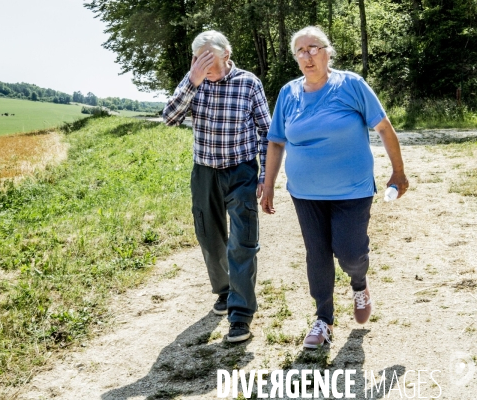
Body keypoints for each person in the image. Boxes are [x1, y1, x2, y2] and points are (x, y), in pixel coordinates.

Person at [260, 26, 409, 349]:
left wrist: (398, 171)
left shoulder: (351, 85)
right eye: (300, 51)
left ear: (329, 51)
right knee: (317, 254)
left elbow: (384, 127)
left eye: (313, 48)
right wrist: (268, 183)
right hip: (305, 192)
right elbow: (275, 142)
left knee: (351, 253)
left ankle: (359, 284)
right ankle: (323, 319)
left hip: (351, 190)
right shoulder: (288, 93)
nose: (307, 56)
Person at [163, 30, 271, 343]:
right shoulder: (192, 82)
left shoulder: (248, 83)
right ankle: (225, 291)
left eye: (210, 56)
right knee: (210, 239)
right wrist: (191, 82)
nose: (204, 63)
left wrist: (265, 175)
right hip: (204, 172)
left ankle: (240, 316)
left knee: (242, 243)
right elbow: (169, 119)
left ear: (227, 53)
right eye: (199, 58)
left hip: (241, 171)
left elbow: (266, 131)